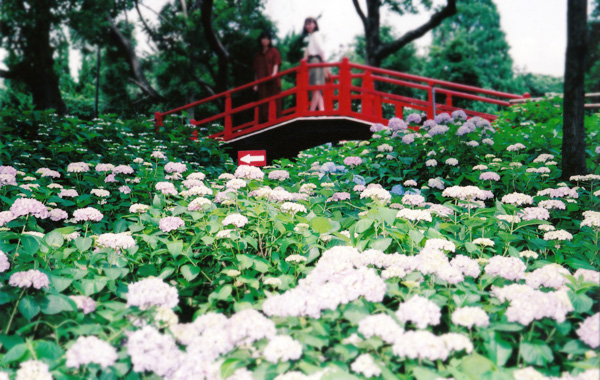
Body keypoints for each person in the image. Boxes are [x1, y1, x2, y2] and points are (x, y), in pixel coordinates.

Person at [253, 31, 282, 123]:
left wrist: (274, 74)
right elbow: (256, 70)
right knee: (263, 103)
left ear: (269, 40)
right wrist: (256, 83)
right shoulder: (258, 55)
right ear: (261, 40)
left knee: (275, 102)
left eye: (267, 38)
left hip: (272, 81)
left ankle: (276, 121)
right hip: (262, 83)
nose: (265, 40)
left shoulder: (274, 51)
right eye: (263, 38)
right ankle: (265, 122)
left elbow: (276, 63)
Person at [303, 17, 330, 111]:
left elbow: (321, 49)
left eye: (310, 23)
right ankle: (322, 110)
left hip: (315, 61)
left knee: (315, 88)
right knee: (317, 89)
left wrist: (324, 62)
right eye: (307, 24)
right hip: (316, 61)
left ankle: (311, 111)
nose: (308, 26)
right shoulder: (313, 36)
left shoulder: (315, 35)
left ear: (315, 24)